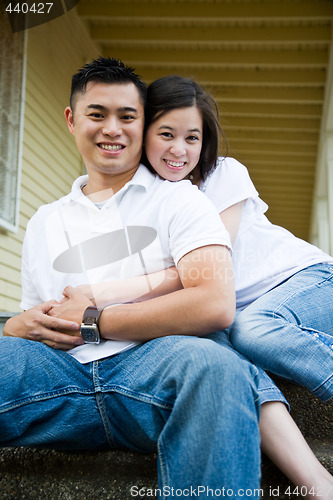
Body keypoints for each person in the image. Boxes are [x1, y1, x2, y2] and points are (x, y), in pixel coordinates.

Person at [2, 57, 261, 497]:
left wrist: (95, 322)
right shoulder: (45, 220)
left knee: (218, 368)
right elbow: (36, 317)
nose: (112, 129)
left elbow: (214, 303)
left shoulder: (182, 201)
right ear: (72, 120)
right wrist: (15, 325)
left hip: (153, 365)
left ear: (143, 125)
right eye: (97, 114)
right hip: (57, 373)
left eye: (127, 117)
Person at [66, 74, 333, 498]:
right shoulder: (141, 201)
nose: (180, 149)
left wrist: (99, 298)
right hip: (241, 311)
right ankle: (316, 482)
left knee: (253, 331)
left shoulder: (223, 173)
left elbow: (204, 272)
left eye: (193, 137)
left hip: (306, 280)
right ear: (143, 133)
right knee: (221, 352)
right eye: (166, 134)